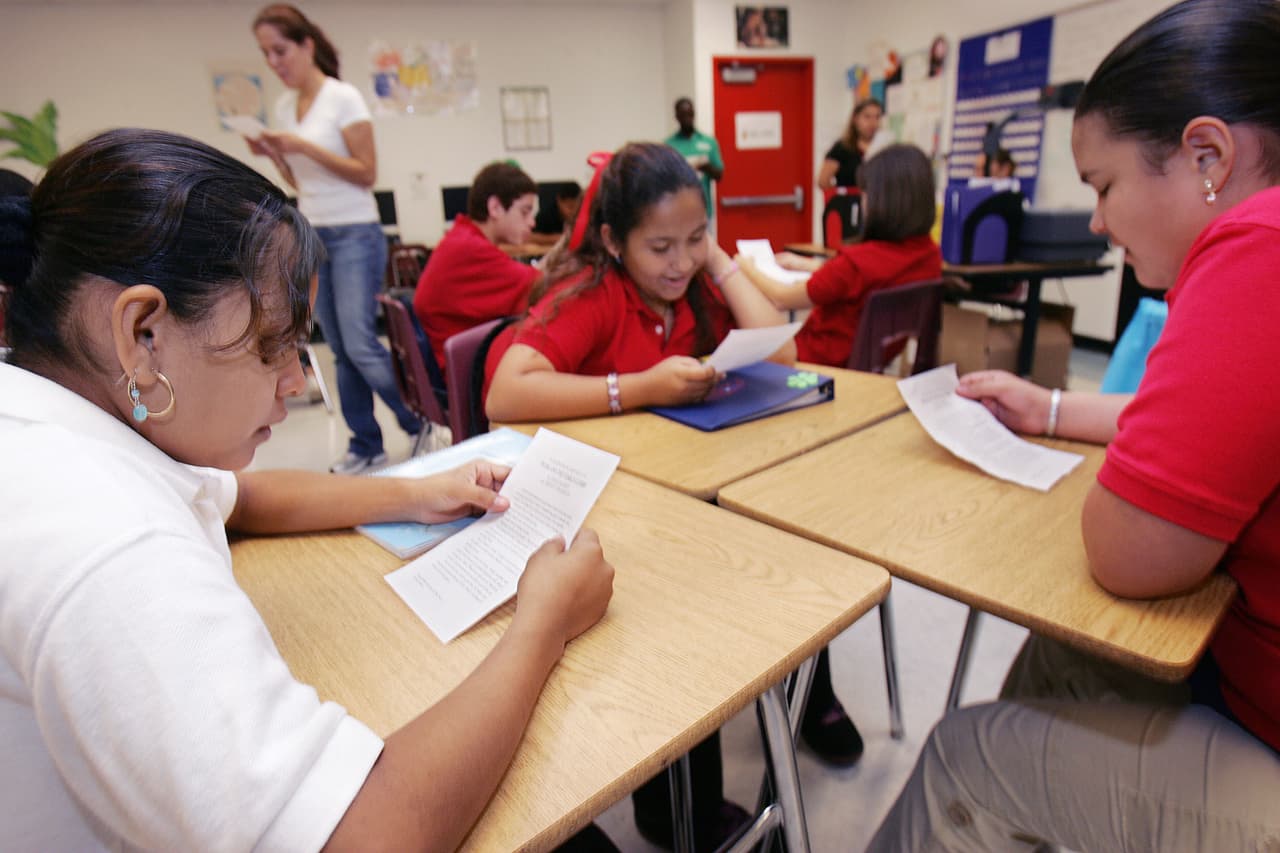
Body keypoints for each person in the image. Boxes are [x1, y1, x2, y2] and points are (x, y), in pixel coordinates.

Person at [0, 127, 615, 852]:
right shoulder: (109, 541)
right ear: (142, 333)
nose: (295, 380)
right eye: (271, 345)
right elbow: (361, 838)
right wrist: (541, 621)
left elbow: (240, 498)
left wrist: (416, 492)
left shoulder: (54, 418)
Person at [869, 1, 1280, 848]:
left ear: (1208, 155)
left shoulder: (1254, 252)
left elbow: (1125, 550)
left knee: (965, 761)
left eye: (1103, 185)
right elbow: (1235, 431)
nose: (1096, 220)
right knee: (1069, 656)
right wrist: (1052, 407)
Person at [485, 141, 791, 850]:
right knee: (682, 611)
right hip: (593, 518)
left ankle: (766, 736)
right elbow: (506, 390)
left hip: (676, 503)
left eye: (693, 240)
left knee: (769, 567)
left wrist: (719, 260)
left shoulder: (695, 284)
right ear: (612, 242)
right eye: (659, 245)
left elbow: (783, 354)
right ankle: (673, 804)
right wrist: (637, 389)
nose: (678, 262)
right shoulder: (595, 296)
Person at [249, 4, 418, 475]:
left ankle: (419, 420)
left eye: (281, 50)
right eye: (266, 55)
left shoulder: (343, 98)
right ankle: (366, 443)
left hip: (355, 234)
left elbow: (366, 173)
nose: (275, 63)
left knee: (361, 343)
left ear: (307, 45)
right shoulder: (285, 108)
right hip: (313, 233)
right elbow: (302, 183)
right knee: (339, 349)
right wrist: (275, 155)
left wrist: (303, 146)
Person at [741, 143, 942, 368]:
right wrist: (807, 264)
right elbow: (870, 278)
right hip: (868, 368)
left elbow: (782, 298)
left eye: (865, 195)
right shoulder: (930, 255)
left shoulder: (856, 264)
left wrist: (745, 267)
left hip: (813, 364)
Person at [413, 161, 541, 373]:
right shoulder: (469, 249)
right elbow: (540, 285)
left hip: (453, 361)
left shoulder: (462, 237)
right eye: (525, 212)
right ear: (495, 208)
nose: (531, 222)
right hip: (465, 372)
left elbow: (529, 277)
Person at [665, 97, 724, 225]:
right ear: (677, 117)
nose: (687, 118)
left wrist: (704, 166)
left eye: (690, 113)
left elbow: (719, 174)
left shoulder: (708, 142)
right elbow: (664, 178)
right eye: (683, 115)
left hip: (703, 209)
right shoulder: (669, 145)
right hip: (677, 211)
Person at [817, 98, 883, 191]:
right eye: (867, 117)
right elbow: (823, 181)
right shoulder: (842, 148)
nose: (872, 123)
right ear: (855, 119)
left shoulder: (884, 148)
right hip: (850, 202)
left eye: (877, 117)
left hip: (877, 202)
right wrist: (844, 196)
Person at [529, 180, 583, 246]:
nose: (574, 211)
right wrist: (553, 239)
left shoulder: (582, 215)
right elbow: (530, 237)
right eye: (570, 207)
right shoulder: (546, 215)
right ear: (559, 201)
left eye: (577, 207)